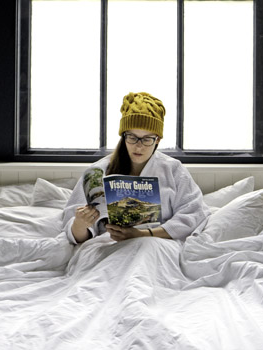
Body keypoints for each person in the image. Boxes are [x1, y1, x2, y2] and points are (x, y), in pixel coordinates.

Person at [62, 92, 210, 245]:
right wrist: (80, 224)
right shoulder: (97, 171)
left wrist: (142, 234)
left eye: (147, 139)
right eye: (132, 137)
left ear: (157, 140)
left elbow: (194, 214)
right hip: (107, 245)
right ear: (123, 136)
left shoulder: (173, 170)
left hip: (155, 244)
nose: (138, 146)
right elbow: (75, 236)